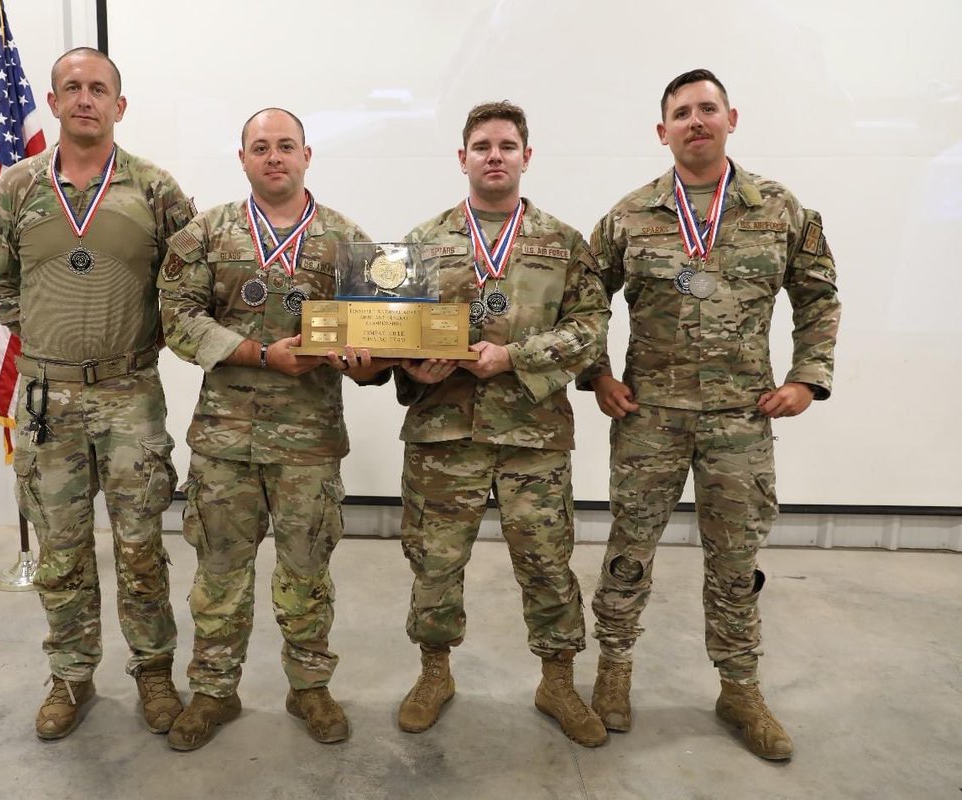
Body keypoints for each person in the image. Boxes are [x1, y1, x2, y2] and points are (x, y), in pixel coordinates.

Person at [581, 68, 842, 761]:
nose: (694, 121)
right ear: (661, 130)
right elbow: (582, 299)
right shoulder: (631, 214)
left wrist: (808, 379)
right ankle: (613, 670)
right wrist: (596, 373)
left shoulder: (780, 210)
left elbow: (819, 297)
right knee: (629, 552)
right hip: (650, 418)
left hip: (740, 419)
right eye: (680, 113)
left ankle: (739, 686)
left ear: (731, 117)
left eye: (706, 109)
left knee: (735, 560)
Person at [0, 47, 195, 740]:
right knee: (61, 549)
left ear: (119, 105)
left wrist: (128, 347)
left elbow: (185, 286)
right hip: (46, 401)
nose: (86, 98)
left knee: (139, 546)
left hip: (130, 396)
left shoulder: (156, 190)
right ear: (53, 100)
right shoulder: (15, 188)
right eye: (72, 87)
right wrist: (49, 341)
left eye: (99, 88)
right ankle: (70, 674)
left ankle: (155, 673)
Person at [159, 107, 385, 751]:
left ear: (308, 155)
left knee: (307, 572)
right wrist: (260, 354)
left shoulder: (347, 240)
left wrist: (369, 365)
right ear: (243, 159)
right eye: (261, 147)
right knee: (219, 575)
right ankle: (212, 691)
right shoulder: (207, 233)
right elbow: (176, 317)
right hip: (225, 442)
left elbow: (377, 333)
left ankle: (309, 687)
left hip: (308, 444)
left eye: (286, 146)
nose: (274, 157)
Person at [391, 101, 611, 747]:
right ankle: (435, 674)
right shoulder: (423, 242)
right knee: (434, 563)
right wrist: (415, 371)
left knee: (547, 565)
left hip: (532, 435)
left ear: (525, 157)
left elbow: (590, 328)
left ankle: (558, 679)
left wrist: (516, 356)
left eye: (507, 145)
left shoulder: (563, 244)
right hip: (443, 434)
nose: (494, 155)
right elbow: (393, 329)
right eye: (482, 145)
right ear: (462, 157)